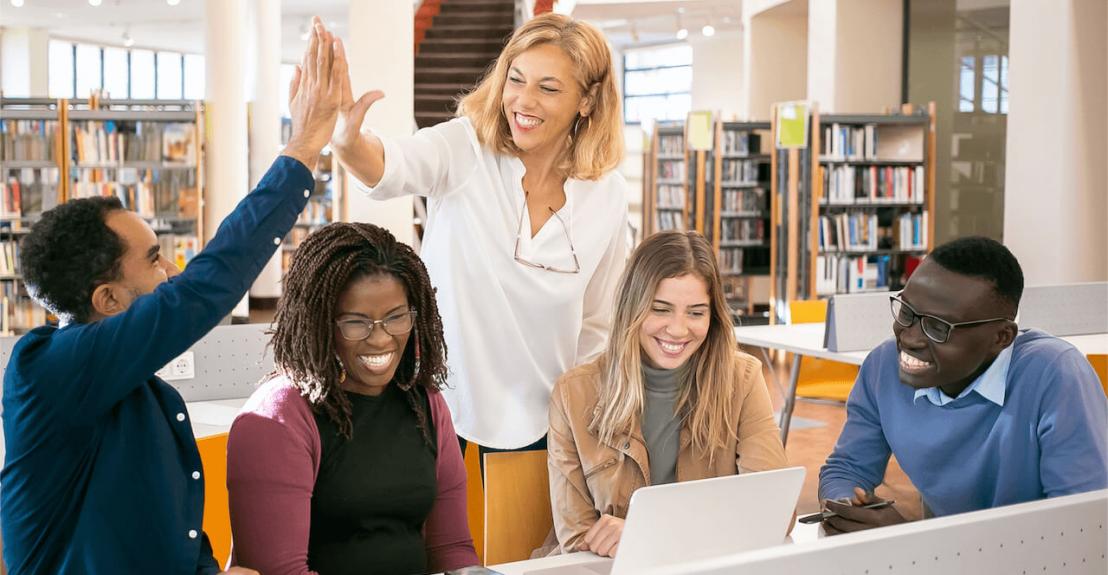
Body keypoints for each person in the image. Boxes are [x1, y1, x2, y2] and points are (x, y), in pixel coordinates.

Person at [0, 19, 344, 575]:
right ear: (108, 299)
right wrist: (303, 146)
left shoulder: (144, 393)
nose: (172, 270)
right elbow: (206, 286)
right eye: (155, 258)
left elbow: (170, 538)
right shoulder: (47, 371)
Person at [325, 13, 629, 455]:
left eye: (548, 88)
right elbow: (394, 166)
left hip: (548, 426)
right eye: (516, 79)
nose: (523, 101)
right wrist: (349, 144)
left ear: (587, 100)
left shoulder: (607, 194)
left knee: (523, 528)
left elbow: (598, 325)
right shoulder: (467, 148)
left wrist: (582, 425)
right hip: (440, 411)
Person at [226, 222, 478, 575]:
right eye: (357, 323)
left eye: (396, 318)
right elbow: (280, 572)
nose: (381, 340)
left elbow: (452, 550)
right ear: (320, 323)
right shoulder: (278, 417)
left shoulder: (426, 404)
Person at [818, 236, 1108, 534]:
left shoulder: (1055, 374)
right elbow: (847, 468)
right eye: (907, 312)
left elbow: (1080, 528)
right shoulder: (883, 366)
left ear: (1001, 337)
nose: (910, 337)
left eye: (938, 327)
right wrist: (845, 505)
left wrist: (910, 540)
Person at [547, 231, 790, 557]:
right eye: (660, 309)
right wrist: (699, 532)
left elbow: (774, 513)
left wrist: (646, 535)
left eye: (695, 312)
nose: (678, 329)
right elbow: (577, 539)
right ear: (632, 308)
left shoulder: (742, 380)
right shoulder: (572, 394)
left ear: (713, 315)